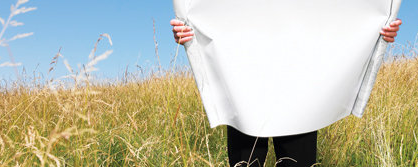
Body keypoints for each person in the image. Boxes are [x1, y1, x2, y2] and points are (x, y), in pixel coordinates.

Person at [170, 18, 403, 167]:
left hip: (299, 85)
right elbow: (218, 15)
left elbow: (336, 17)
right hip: (243, 81)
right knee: (246, 163)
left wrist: (376, 29)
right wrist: (193, 29)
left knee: (296, 162)